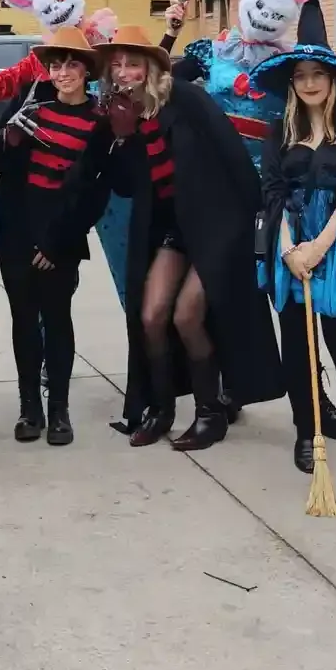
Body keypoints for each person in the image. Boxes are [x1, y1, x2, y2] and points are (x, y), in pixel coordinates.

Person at [163, 0, 336, 438]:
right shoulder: (211, 52)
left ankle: (315, 403)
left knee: (295, 307)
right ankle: (219, 397)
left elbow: (318, 103)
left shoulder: (289, 69)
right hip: (214, 196)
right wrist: (170, 30)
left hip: (274, 195)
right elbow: (163, 82)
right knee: (218, 297)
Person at [87, 25, 285, 450]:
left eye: (133, 64)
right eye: (117, 65)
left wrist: (257, 222)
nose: (123, 73)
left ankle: (209, 413)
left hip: (219, 224)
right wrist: (120, 138)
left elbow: (232, 153)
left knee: (186, 315)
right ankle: (161, 409)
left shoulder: (186, 98)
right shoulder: (123, 113)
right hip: (174, 229)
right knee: (151, 314)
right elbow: (125, 186)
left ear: (151, 67)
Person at [0, 0, 106, 448]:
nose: (62, 72)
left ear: (86, 71)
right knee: (23, 321)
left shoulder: (98, 122)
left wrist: (58, 242)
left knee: (57, 321)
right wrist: (7, 134)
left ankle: (59, 411)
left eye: (72, 65)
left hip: (62, 237)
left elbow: (94, 192)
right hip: (19, 231)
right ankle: (29, 409)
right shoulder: (32, 101)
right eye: (56, 64)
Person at [253, 0, 336, 478]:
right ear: (292, 82)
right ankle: (308, 433)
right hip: (289, 249)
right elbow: (272, 191)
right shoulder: (276, 132)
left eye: (317, 75)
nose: (308, 83)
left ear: (333, 81)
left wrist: (318, 248)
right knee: (296, 348)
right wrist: (289, 251)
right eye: (300, 75)